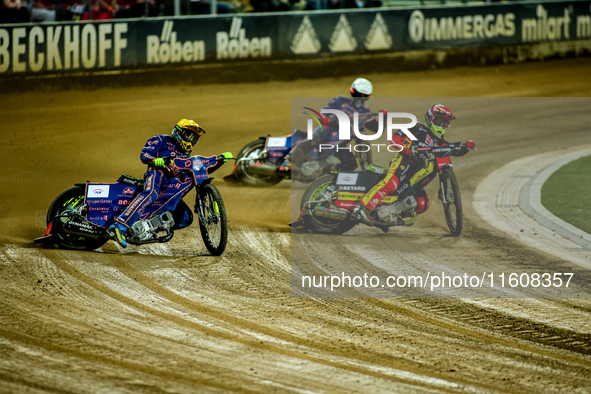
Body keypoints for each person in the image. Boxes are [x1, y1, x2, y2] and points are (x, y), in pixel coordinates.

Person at [107, 119, 228, 248]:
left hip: (171, 184)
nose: (190, 140)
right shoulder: (162, 139)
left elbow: (202, 168)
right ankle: (119, 225)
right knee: (151, 194)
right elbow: (144, 154)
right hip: (157, 173)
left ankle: (148, 227)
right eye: (188, 135)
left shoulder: (186, 156)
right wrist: (155, 160)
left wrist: (220, 160)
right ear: (178, 132)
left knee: (185, 217)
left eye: (194, 138)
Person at [351, 104, 475, 226]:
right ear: (430, 118)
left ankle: (390, 215)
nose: (441, 126)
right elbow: (394, 138)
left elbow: (452, 150)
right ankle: (362, 209)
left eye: (444, 123)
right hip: (404, 160)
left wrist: (465, 147)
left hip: (418, 169)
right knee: (390, 184)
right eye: (439, 121)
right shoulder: (417, 127)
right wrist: (404, 148)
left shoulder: (438, 139)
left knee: (422, 204)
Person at [301, 77, 379, 175]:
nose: (360, 98)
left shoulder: (365, 111)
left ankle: (330, 178)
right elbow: (324, 112)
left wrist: (384, 117)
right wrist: (327, 119)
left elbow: (376, 128)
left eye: (364, 96)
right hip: (327, 132)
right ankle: (295, 159)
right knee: (314, 138)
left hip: (340, 144)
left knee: (350, 164)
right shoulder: (341, 100)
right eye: (359, 95)